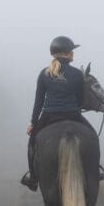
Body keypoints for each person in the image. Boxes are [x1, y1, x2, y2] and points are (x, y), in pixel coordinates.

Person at [21, 35, 97, 191]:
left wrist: (33, 123)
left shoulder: (44, 73)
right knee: (93, 135)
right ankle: (95, 171)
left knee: (32, 144)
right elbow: (80, 99)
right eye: (72, 51)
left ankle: (33, 178)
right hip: (73, 114)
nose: (73, 54)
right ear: (67, 53)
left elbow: (38, 102)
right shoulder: (77, 74)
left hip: (49, 115)